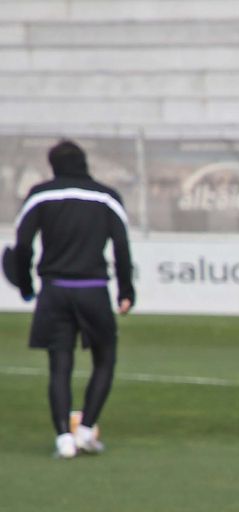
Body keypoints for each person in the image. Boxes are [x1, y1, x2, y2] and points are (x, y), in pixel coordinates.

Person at [3, 139, 133, 458]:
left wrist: (25, 285)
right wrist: (126, 291)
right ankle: (87, 429)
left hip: (55, 289)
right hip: (93, 289)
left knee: (59, 365)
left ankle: (64, 438)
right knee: (105, 358)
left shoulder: (41, 195)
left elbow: (22, 246)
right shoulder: (106, 196)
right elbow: (121, 246)